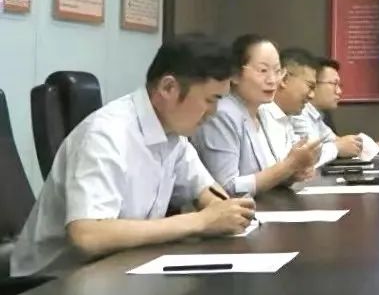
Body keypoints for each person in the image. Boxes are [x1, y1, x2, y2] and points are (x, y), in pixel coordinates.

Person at [11, 35, 256, 277]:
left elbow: (207, 192)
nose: (214, 112)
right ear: (168, 88)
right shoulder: (105, 134)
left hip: (118, 269)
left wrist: (225, 212)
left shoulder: (174, 135)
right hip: (50, 283)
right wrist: (200, 222)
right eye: (210, 100)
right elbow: (88, 235)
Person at [192, 34, 320, 196]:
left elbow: (268, 174)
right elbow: (226, 189)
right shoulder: (222, 114)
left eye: (277, 71)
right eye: (263, 71)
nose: (272, 80)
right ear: (235, 74)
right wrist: (289, 165)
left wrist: (292, 174)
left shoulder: (263, 111)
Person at [256, 48, 329, 163]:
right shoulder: (261, 114)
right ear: (284, 79)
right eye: (310, 86)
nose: (312, 95)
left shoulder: (285, 117)